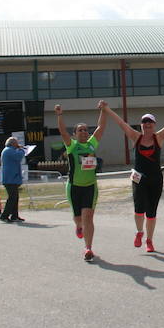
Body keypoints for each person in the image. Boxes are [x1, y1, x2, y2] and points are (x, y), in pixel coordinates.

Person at [100, 104, 164, 253]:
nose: (147, 124)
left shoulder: (159, 137)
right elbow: (121, 123)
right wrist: (106, 109)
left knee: (151, 212)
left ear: (154, 124)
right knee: (139, 209)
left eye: (150, 122)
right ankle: (139, 232)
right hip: (139, 178)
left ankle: (149, 241)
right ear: (141, 125)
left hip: (155, 179)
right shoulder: (136, 137)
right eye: (144, 122)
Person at [56, 102, 107, 262]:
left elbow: (101, 127)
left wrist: (104, 110)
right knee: (79, 219)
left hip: (90, 187)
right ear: (75, 134)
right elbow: (62, 131)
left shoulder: (92, 144)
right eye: (80, 130)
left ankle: (88, 248)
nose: (84, 132)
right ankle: (78, 226)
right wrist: (59, 114)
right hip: (74, 187)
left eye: (85, 130)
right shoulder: (72, 146)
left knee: (88, 217)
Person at [0, 137, 26, 223]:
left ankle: (14, 215)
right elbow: (19, 156)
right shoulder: (9, 150)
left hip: (12, 178)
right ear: (13, 143)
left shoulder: (10, 150)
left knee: (15, 198)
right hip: (10, 179)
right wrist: (22, 149)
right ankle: (4, 216)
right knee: (12, 198)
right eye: (16, 143)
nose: (18, 144)